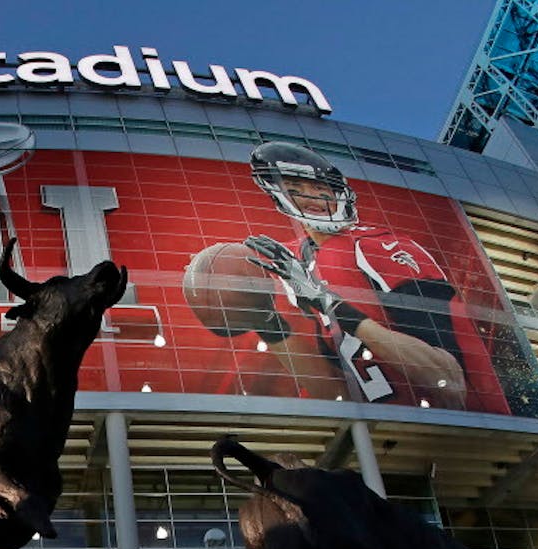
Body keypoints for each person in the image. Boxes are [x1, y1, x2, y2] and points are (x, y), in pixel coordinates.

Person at [199, 142, 508, 412]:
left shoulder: (378, 246)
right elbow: (335, 392)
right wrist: (269, 326)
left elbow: (449, 382)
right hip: (379, 435)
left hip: (456, 430)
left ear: (339, 192)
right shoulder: (293, 261)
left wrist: (332, 306)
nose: (311, 196)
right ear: (278, 195)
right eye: (295, 187)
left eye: (319, 187)